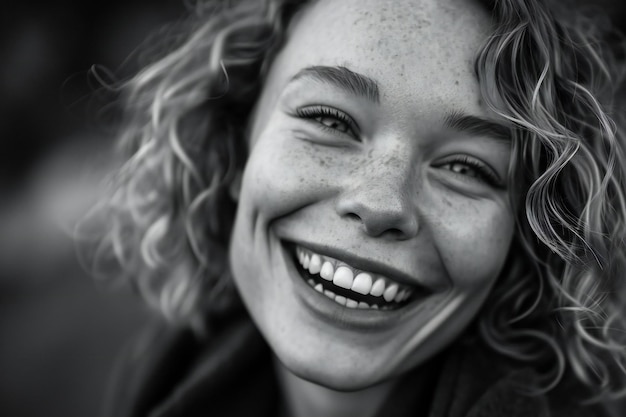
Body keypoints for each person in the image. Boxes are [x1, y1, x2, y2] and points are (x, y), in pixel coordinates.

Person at [77, 0, 626, 415]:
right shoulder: (153, 379)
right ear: (232, 141)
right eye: (330, 121)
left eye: (468, 168)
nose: (380, 203)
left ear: (527, 233)